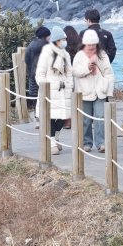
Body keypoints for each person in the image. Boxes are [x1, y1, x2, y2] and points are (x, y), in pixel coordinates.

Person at [73, 29, 114, 152]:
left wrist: (108, 89)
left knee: (100, 116)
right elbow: (75, 71)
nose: (91, 47)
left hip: (99, 91)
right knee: (85, 119)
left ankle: (101, 143)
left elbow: (109, 73)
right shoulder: (79, 56)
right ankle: (86, 143)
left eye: (93, 44)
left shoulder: (102, 55)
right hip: (84, 92)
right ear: (84, 44)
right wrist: (87, 68)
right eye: (89, 44)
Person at [35, 26, 72, 155]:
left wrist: (69, 85)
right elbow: (39, 73)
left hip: (63, 90)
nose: (64, 41)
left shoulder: (65, 54)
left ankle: (56, 138)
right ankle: (51, 143)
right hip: (50, 90)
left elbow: (69, 73)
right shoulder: (46, 53)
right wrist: (45, 87)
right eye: (62, 39)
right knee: (50, 117)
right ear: (56, 40)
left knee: (63, 117)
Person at [24, 26, 51, 126]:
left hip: (32, 74)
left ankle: (37, 119)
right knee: (46, 95)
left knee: (35, 96)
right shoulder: (48, 46)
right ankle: (47, 118)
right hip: (45, 75)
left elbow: (26, 59)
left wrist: (31, 70)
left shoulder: (31, 45)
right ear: (45, 36)